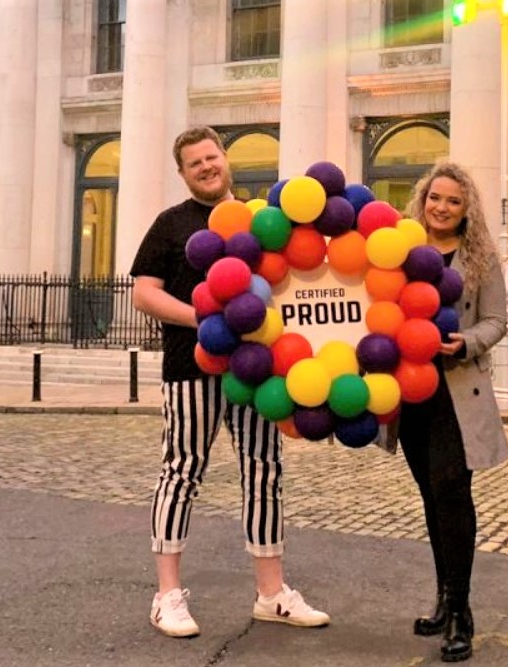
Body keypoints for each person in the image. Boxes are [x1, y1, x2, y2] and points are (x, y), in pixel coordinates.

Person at [129, 126, 330, 639]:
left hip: (256, 372)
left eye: (211, 157)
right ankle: (167, 596)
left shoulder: (258, 221)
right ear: (183, 173)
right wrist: (201, 318)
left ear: (226, 159)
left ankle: (272, 593)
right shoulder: (170, 225)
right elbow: (143, 293)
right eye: (194, 162)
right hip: (190, 368)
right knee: (182, 469)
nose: (205, 167)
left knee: (265, 471)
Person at [396, 162, 508, 662]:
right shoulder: (400, 250)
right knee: (430, 494)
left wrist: (467, 342)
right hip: (409, 390)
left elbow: (496, 321)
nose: (441, 207)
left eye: (453, 201)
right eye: (434, 198)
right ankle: (443, 599)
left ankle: (462, 611)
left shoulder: (482, 257)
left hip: (456, 392)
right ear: (423, 200)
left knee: (452, 491)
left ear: (467, 210)